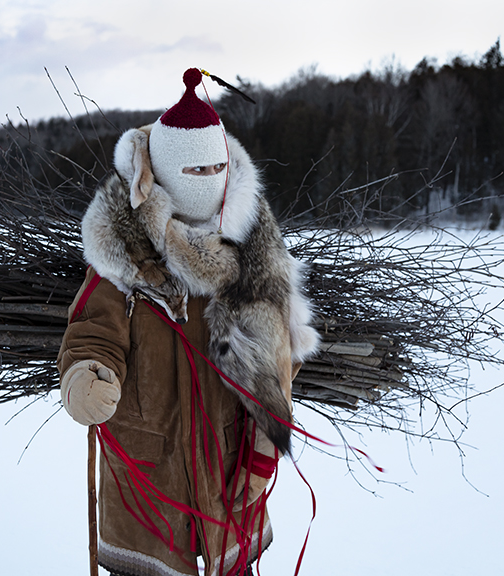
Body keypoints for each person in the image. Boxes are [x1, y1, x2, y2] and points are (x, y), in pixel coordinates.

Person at [58, 68, 318, 576]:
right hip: (145, 472)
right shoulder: (123, 254)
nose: (207, 180)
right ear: (163, 174)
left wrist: (264, 445)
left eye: (214, 169)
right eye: (193, 171)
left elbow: (274, 358)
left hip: (227, 464)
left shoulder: (251, 255)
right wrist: (90, 374)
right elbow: (93, 331)